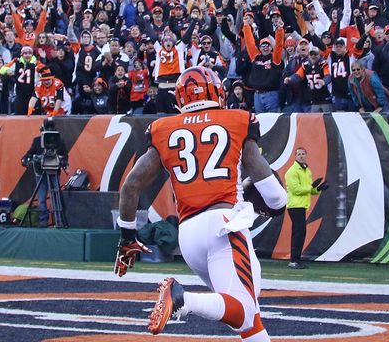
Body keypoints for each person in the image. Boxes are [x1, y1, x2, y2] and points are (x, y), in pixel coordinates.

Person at [115, 66, 287, 340]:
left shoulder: (162, 128)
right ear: (219, 92)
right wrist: (278, 202)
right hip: (222, 227)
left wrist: (127, 238)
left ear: (179, 99)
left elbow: (130, 185)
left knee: (246, 316)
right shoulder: (238, 119)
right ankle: (183, 300)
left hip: (189, 236)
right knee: (243, 308)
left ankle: (186, 299)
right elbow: (265, 181)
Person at [21, 117, 69, 228]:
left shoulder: (59, 141)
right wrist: (26, 159)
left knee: (56, 197)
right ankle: (43, 222)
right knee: (42, 198)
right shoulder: (37, 141)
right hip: (40, 172)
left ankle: (59, 221)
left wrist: (64, 162)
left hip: (54, 172)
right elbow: (30, 153)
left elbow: (65, 155)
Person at [284, 148, 328, 270]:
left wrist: (319, 189)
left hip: (302, 205)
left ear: (306, 156)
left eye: (303, 154)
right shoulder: (292, 171)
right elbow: (296, 190)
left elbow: (309, 191)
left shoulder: (307, 171)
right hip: (295, 205)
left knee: (300, 233)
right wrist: (311, 186)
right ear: (295, 157)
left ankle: (296, 260)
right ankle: (294, 261)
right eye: (299, 154)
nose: (301, 156)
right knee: (299, 233)